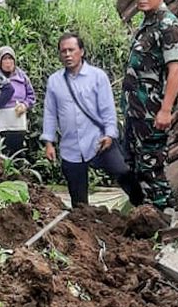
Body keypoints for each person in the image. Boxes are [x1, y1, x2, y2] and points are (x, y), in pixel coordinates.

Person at [41, 33, 143, 208]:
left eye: (71, 50)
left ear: (81, 51)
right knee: (79, 200)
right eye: (63, 51)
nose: (67, 55)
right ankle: (85, 228)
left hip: (99, 141)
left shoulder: (97, 77)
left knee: (123, 172)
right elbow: (50, 113)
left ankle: (145, 208)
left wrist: (110, 135)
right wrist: (49, 142)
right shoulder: (54, 81)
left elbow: (108, 109)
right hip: (71, 147)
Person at [122, 0, 178, 210]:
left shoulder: (168, 26)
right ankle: (144, 219)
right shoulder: (149, 23)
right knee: (136, 167)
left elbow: (175, 71)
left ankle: (163, 219)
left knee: (152, 169)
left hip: (152, 113)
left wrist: (166, 110)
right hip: (136, 112)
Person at [0, 46, 36, 158]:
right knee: (2, 151)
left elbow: (31, 96)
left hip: (18, 120)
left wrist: (25, 105)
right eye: (5, 59)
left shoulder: (22, 76)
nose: (8, 62)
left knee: (17, 150)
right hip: (0, 120)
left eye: (10, 59)